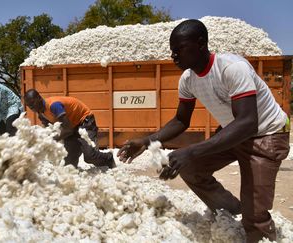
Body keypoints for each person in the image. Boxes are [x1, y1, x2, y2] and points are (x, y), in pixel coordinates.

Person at [117, 19, 289, 242]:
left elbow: (248, 122)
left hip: (266, 136)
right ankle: (231, 211)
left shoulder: (231, 68)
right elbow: (181, 120)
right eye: (173, 51)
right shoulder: (188, 79)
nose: (174, 56)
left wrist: (191, 151)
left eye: (179, 49)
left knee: (255, 216)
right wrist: (145, 142)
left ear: (200, 44)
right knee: (188, 167)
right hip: (235, 132)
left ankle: (255, 224)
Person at [24, 89, 116, 169]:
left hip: (84, 121)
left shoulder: (54, 106)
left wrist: (53, 139)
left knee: (90, 156)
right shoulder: (41, 114)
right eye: (29, 106)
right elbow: (52, 130)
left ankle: (109, 158)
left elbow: (68, 130)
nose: (32, 108)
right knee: (69, 164)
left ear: (39, 98)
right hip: (71, 126)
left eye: (33, 103)